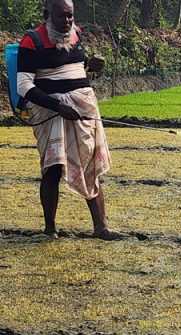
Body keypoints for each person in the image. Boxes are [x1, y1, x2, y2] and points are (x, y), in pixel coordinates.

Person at [17, 0, 120, 240]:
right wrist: (59, 106)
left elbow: (75, 71)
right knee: (53, 168)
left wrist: (92, 68)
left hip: (83, 111)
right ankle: (50, 229)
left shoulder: (76, 35)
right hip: (51, 112)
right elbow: (23, 85)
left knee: (91, 166)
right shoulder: (32, 40)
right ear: (47, 15)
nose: (67, 22)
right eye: (61, 17)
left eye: (70, 16)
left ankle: (101, 227)